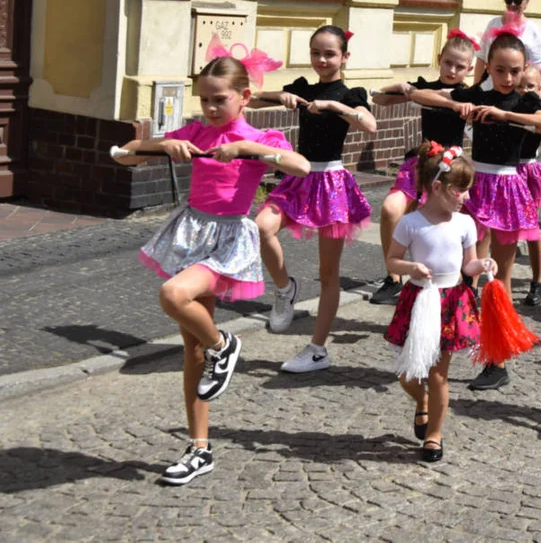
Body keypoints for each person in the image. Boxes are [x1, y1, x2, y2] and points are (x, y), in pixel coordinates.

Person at [115, 53, 310, 485]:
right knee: (192, 352)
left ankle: (226, 345)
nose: (209, 108)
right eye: (203, 100)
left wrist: (248, 149)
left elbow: (301, 165)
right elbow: (123, 156)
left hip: (227, 241)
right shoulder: (196, 132)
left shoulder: (262, 135)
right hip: (191, 233)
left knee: (173, 296)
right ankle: (199, 449)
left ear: (244, 97)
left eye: (218, 100)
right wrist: (160, 146)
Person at [410, 23, 541, 390]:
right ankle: (448, 339)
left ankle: (498, 358)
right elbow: (418, 94)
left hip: (508, 187)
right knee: (463, 269)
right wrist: (455, 102)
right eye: (500, 70)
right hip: (473, 186)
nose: (508, 78)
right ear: (487, 67)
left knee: (500, 276)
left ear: (524, 66)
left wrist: (506, 116)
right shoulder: (477, 92)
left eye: (514, 71)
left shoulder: (524, 101)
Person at [253, 26, 378, 373]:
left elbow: (369, 125)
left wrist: (336, 105)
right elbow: (252, 97)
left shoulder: (351, 92)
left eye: (329, 54)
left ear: (344, 57)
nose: (321, 60)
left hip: (331, 184)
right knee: (261, 227)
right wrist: (281, 97)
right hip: (298, 176)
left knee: (328, 274)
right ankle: (284, 289)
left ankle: (318, 349)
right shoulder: (303, 88)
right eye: (315, 53)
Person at [384, 143, 495, 463]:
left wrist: (484, 265)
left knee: (438, 374)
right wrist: (411, 268)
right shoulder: (411, 223)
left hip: (451, 301)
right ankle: (424, 402)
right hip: (419, 299)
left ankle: (434, 434)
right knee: (407, 374)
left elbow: (468, 266)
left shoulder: (465, 224)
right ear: (437, 187)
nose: (467, 197)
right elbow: (392, 261)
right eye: (461, 191)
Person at [369, 31, 477, 305]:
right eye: (448, 63)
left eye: (460, 66)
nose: (452, 70)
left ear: (470, 68)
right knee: (391, 208)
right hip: (420, 164)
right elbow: (379, 99)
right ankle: (393, 278)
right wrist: (404, 88)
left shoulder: (469, 93)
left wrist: (444, 98)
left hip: (452, 169)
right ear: (439, 60)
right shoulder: (425, 87)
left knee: (454, 226)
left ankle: (465, 279)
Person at [516, 66, 541, 306]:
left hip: (527, 170)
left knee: (532, 228)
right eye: (520, 85)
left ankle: (538, 280)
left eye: (530, 86)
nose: (524, 91)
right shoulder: (507, 105)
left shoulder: (539, 110)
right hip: (503, 170)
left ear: (539, 89)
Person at [474, 0, 541, 86]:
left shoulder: (533, 30)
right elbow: (481, 58)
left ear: (526, 2)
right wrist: (476, 88)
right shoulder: (493, 24)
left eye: (517, 1)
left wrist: (534, 94)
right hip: (489, 89)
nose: (512, 4)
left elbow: (539, 68)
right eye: (508, 0)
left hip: (518, 92)